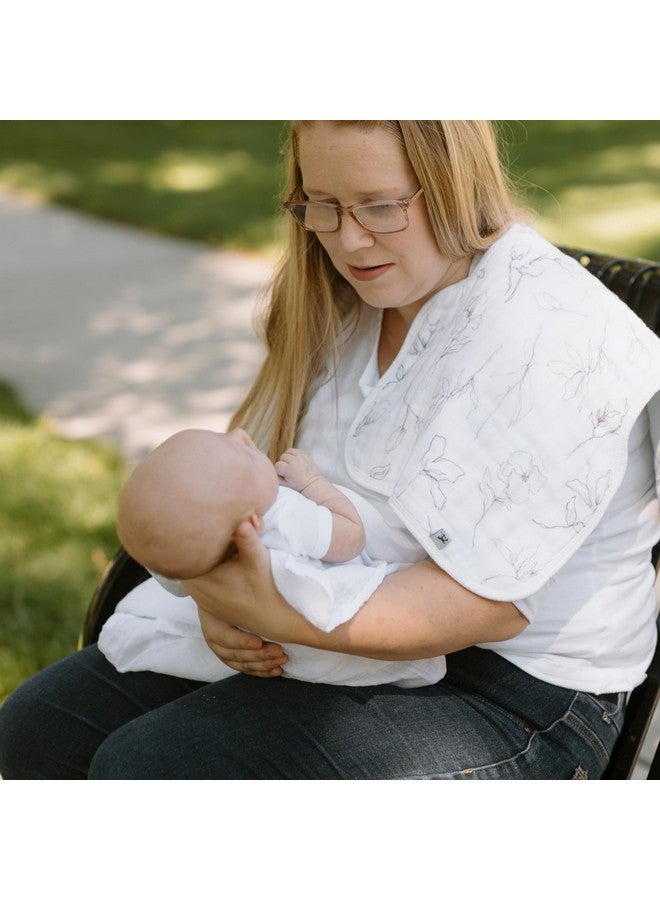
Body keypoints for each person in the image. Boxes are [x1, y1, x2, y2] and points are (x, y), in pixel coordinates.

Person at [1, 119, 659, 781]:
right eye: (322, 204)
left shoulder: (553, 336)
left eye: (380, 205)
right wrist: (215, 600)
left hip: (513, 692)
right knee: (38, 730)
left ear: (458, 184)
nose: (347, 239)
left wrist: (271, 610)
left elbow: (485, 604)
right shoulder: (339, 299)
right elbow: (230, 491)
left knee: (153, 770)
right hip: (326, 623)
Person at [98, 426, 443, 687]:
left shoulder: (214, 551)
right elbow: (351, 536)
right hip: (350, 646)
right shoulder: (285, 517)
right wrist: (313, 483)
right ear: (251, 524)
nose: (242, 435)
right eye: (244, 455)